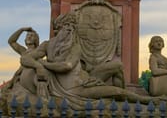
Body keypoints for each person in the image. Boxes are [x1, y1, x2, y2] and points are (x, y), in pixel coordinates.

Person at [20, 16, 153, 108]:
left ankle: (133, 99)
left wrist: (42, 64)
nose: (70, 30)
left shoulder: (75, 47)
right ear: (59, 29)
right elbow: (25, 58)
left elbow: (67, 66)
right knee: (118, 92)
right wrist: (38, 65)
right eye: (67, 27)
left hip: (86, 79)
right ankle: (146, 101)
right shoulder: (47, 45)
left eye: (72, 27)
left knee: (118, 66)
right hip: (76, 89)